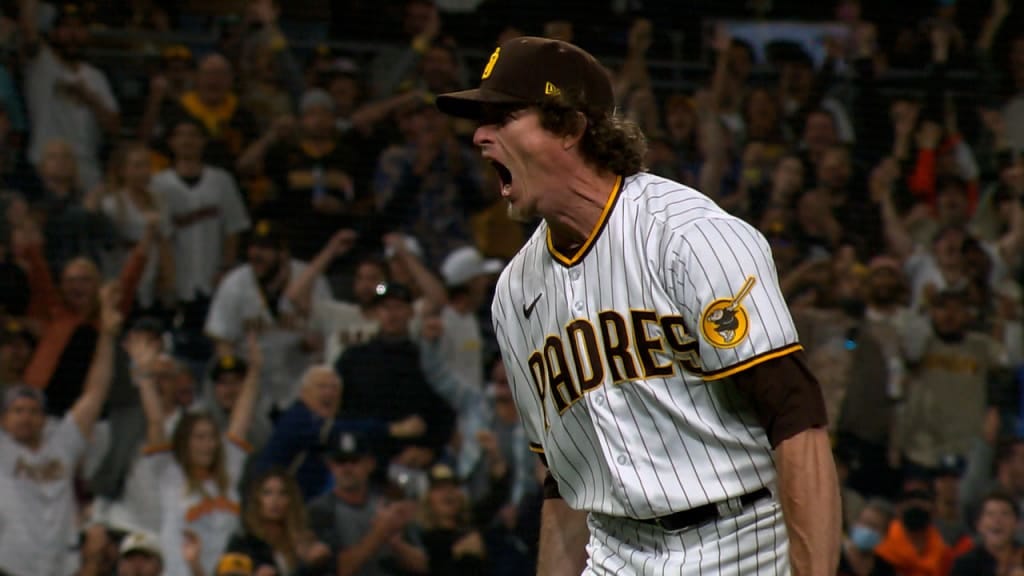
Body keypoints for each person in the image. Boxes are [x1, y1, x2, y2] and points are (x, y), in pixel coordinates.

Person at [435, 36, 840, 574]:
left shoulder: (687, 236)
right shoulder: (513, 294)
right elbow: (564, 482)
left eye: (503, 117)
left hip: (744, 542)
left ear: (570, 128)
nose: (479, 136)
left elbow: (796, 416)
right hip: (615, 552)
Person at [0, 283, 121, 576]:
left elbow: (96, 392)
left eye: (33, 411)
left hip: (62, 565)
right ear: (3, 420)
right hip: (12, 565)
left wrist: (106, 334)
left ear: (44, 419)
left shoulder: (62, 442)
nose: (26, 417)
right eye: (18, 411)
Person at [130, 331, 262, 576]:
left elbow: (241, 420)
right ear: (185, 442)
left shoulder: (228, 468)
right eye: (199, 438)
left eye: (212, 437)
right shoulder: (170, 472)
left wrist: (255, 371)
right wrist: (146, 379)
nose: (208, 444)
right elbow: (156, 422)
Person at [307, 431, 429, 576]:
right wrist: (379, 532)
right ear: (330, 465)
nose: (347, 468)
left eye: (354, 461)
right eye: (341, 461)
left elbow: (422, 565)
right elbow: (340, 569)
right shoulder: (319, 510)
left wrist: (396, 544)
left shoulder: (387, 505)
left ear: (370, 464)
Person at [225, 470, 332, 574]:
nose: (275, 500)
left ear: (291, 499)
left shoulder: (304, 539)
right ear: (257, 498)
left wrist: (314, 564)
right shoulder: (243, 542)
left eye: (283, 493)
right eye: (267, 493)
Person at [951, 491, 1024, 576]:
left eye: (1005, 514)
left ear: (1017, 523)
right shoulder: (965, 565)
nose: (997, 520)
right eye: (990, 514)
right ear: (978, 524)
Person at [838, 499, 897, 576]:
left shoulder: (885, 569)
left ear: (884, 534)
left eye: (873, 526)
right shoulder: (834, 556)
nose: (866, 529)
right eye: (863, 522)